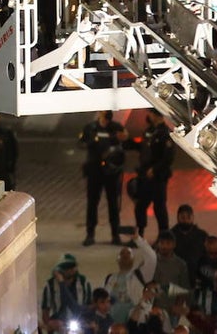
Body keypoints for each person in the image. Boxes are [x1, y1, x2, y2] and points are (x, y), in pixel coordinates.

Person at [79, 110, 128, 246]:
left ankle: (115, 234)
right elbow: (81, 143)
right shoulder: (91, 128)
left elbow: (124, 141)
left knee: (113, 204)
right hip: (95, 170)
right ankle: (90, 234)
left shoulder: (116, 127)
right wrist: (91, 142)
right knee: (92, 203)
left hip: (111, 172)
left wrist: (122, 138)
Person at [125, 109, 175, 238]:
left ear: (157, 115)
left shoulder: (165, 133)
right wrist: (126, 142)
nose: (149, 116)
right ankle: (140, 235)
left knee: (159, 208)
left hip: (158, 177)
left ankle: (163, 236)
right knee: (140, 206)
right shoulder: (149, 131)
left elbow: (168, 157)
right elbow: (142, 147)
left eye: (151, 114)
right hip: (144, 175)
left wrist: (155, 169)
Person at [40, 253, 92, 332]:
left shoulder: (84, 283)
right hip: (59, 323)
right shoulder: (50, 285)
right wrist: (50, 324)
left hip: (80, 322)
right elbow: (45, 310)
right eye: (66, 267)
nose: (69, 270)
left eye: (72, 267)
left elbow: (88, 306)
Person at [170, 205, 208, 279]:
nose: (185, 220)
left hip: (198, 273)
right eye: (182, 217)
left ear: (192, 217)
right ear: (178, 218)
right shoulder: (170, 235)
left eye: (188, 217)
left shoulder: (202, 235)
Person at [151, 231, 191, 300]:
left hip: (172, 304)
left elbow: (184, 288)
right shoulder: (151, 261)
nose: (164, 246)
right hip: (152, 304)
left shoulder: (181, 264)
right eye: (162, 243)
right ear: (157, 244)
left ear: (174, 245)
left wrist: (179, 303)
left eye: (168, 243)